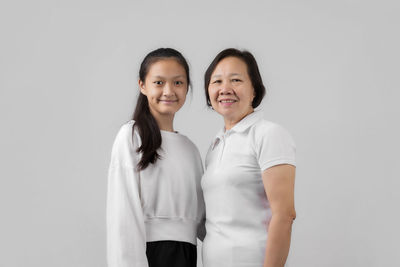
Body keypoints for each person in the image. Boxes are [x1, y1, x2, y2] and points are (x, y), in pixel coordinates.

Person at [107, 48, 205, 267]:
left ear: (187, 87)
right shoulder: (132, 136)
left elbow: (204, 223)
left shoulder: (190, 149)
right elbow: (123, 215)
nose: (169, 91)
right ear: (142, 85)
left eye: (178, 83)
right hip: (150, 254)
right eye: (159, 82)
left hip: (187, 255)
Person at [201, 48, 296, 267]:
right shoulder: (215, 145)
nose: (225, 89)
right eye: (217, 81)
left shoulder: (268, 134)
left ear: (254, 89)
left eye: (236, 80)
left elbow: (284, 215)